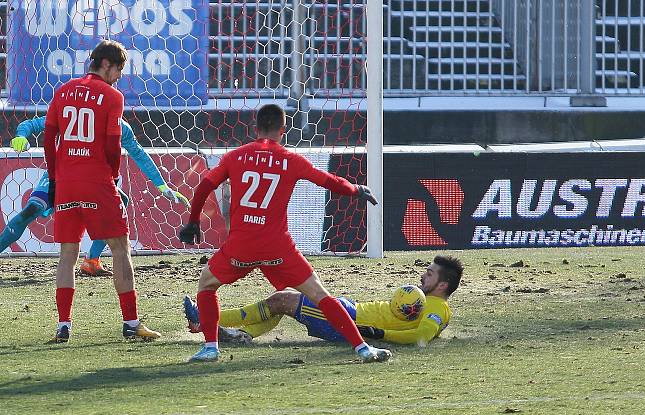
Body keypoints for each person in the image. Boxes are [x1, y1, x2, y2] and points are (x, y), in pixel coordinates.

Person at [178, 103, 392, 363]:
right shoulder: (291, 160)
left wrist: (193, 222)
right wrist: (355, 189)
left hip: (241, 246)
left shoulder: (235, 156)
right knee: (320, 295)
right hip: (277, 247)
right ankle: (362, 349)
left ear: (255, 128)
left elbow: (203, 187)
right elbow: (328, 181)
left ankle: (211, 347)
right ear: (284, 129)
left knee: (207, 285)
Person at [43, 39, 161, 343]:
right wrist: (111, 174)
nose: (119, 76)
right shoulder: (112, 96)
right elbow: (112, 143)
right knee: (121, 248)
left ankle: (63, 325)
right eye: (118, 69)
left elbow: (49, 137)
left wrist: (56, 176)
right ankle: (132, 323)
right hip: (97, 181)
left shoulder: (62, 91)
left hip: (67, 182)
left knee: (68, 253)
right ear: (106, 64)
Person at [2, 116, 189, 275]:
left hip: (93, 181)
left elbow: (138, 153)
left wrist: (162, 186)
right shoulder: (70, 113)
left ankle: (91, 261)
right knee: (32, 209)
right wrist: (21, 136)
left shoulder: (119, 126)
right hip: (60, 175)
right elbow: (30, 125)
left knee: (120, 201)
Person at [182, 255, 462, 346]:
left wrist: (379, 333)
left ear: (443, 284)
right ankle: (240, 334)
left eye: (430, 274)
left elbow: (422, 336)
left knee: (281, 299)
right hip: (350, 310)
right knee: (283, 304)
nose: (423, 277)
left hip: (347, 322)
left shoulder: (437, 308)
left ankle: (205, 320)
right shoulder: (427, 301)